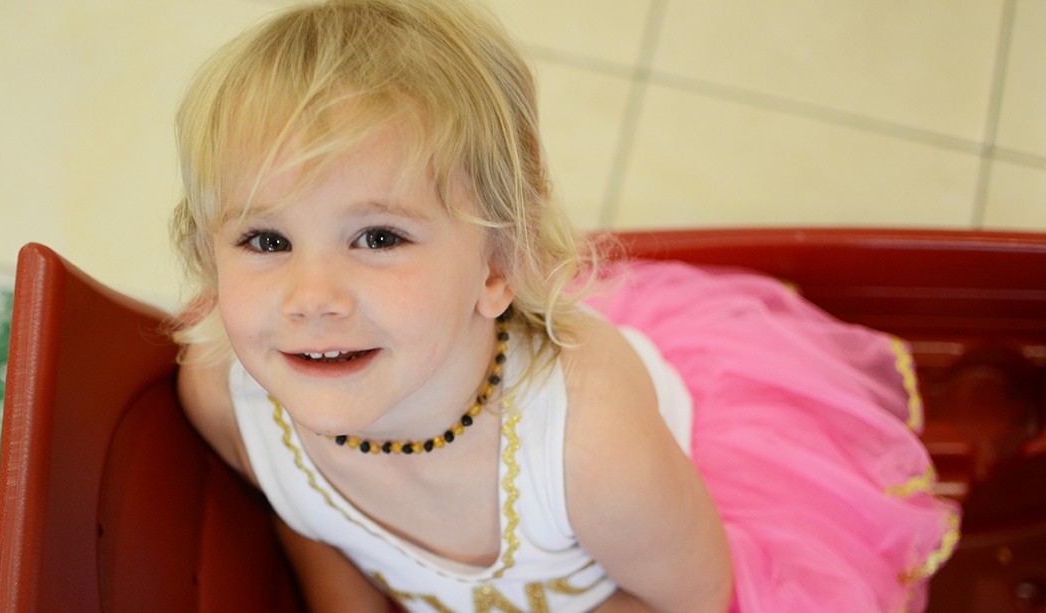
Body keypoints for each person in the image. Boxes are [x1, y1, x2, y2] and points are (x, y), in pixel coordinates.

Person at [170, 1, 959, 611]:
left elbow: (689, 597)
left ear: (497, 266)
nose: (312, 298)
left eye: (378, 236)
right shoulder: (226, 398)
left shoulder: (590, 439)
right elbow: (307, 520)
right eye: (265, 241)